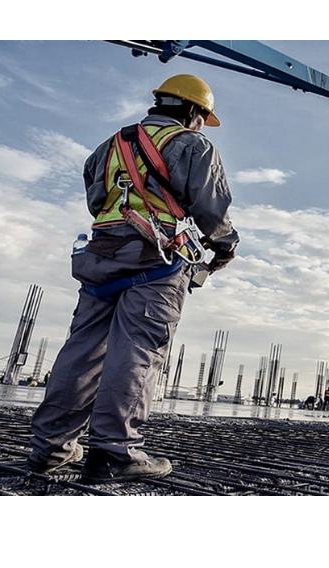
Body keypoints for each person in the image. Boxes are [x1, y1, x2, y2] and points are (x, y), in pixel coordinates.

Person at [28, 74, 239, 484]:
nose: (201, 125)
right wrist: (226, 246)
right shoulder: (193, 145)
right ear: (193, 111)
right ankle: (113, 451)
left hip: (101, 258)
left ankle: (50, 447)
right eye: (202, 117)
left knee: (83, 351)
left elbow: (95, 200)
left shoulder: (109, 146)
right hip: (156, 263)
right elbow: (211, 209)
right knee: (138, 350)